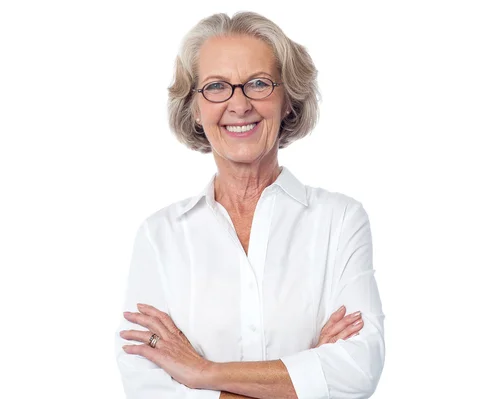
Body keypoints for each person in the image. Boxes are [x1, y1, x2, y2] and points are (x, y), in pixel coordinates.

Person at [114, 11, 385, 399]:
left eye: (258, 83)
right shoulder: (160, 236)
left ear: (288, 99)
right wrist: (305, 374)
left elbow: (358, 370)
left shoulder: (340, 221)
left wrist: (201, 372)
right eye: (216, 86)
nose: (239, 104)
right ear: (194, 108)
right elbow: (146, 386)